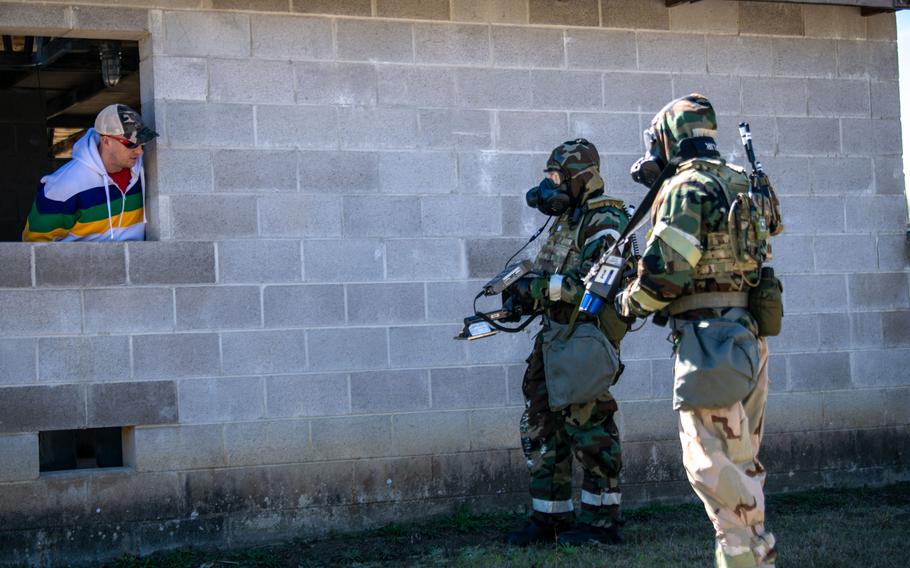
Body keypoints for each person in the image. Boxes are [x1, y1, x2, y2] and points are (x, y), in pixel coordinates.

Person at [617, 94, 779, 567]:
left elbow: (667, 270)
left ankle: (747, 558)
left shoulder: (686, 186)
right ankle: (754, 555)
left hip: (709, 345)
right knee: (741, 466)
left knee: (717, 473)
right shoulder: (739, 181)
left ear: (668, 138)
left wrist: (627, 304)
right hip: (747, 339)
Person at [505, 139, 633, 547]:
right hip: (555, 336)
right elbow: (553, 274)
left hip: (584, 337)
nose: (550, 186)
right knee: (543, 423)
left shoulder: (607, 220)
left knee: (589, 428)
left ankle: (601, 524)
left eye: (556, 177)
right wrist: (521, 293)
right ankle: (550, 518)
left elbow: (598, 286)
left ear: (581, 178)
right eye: (549, 177)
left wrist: (539, 287)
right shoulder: (569, 219)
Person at [22, 104, 158, 241]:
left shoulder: (146, 168)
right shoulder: (63, 186)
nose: (139, 151)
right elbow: (34, 245)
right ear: (106, 141)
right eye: (132, 144)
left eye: (142, 143)